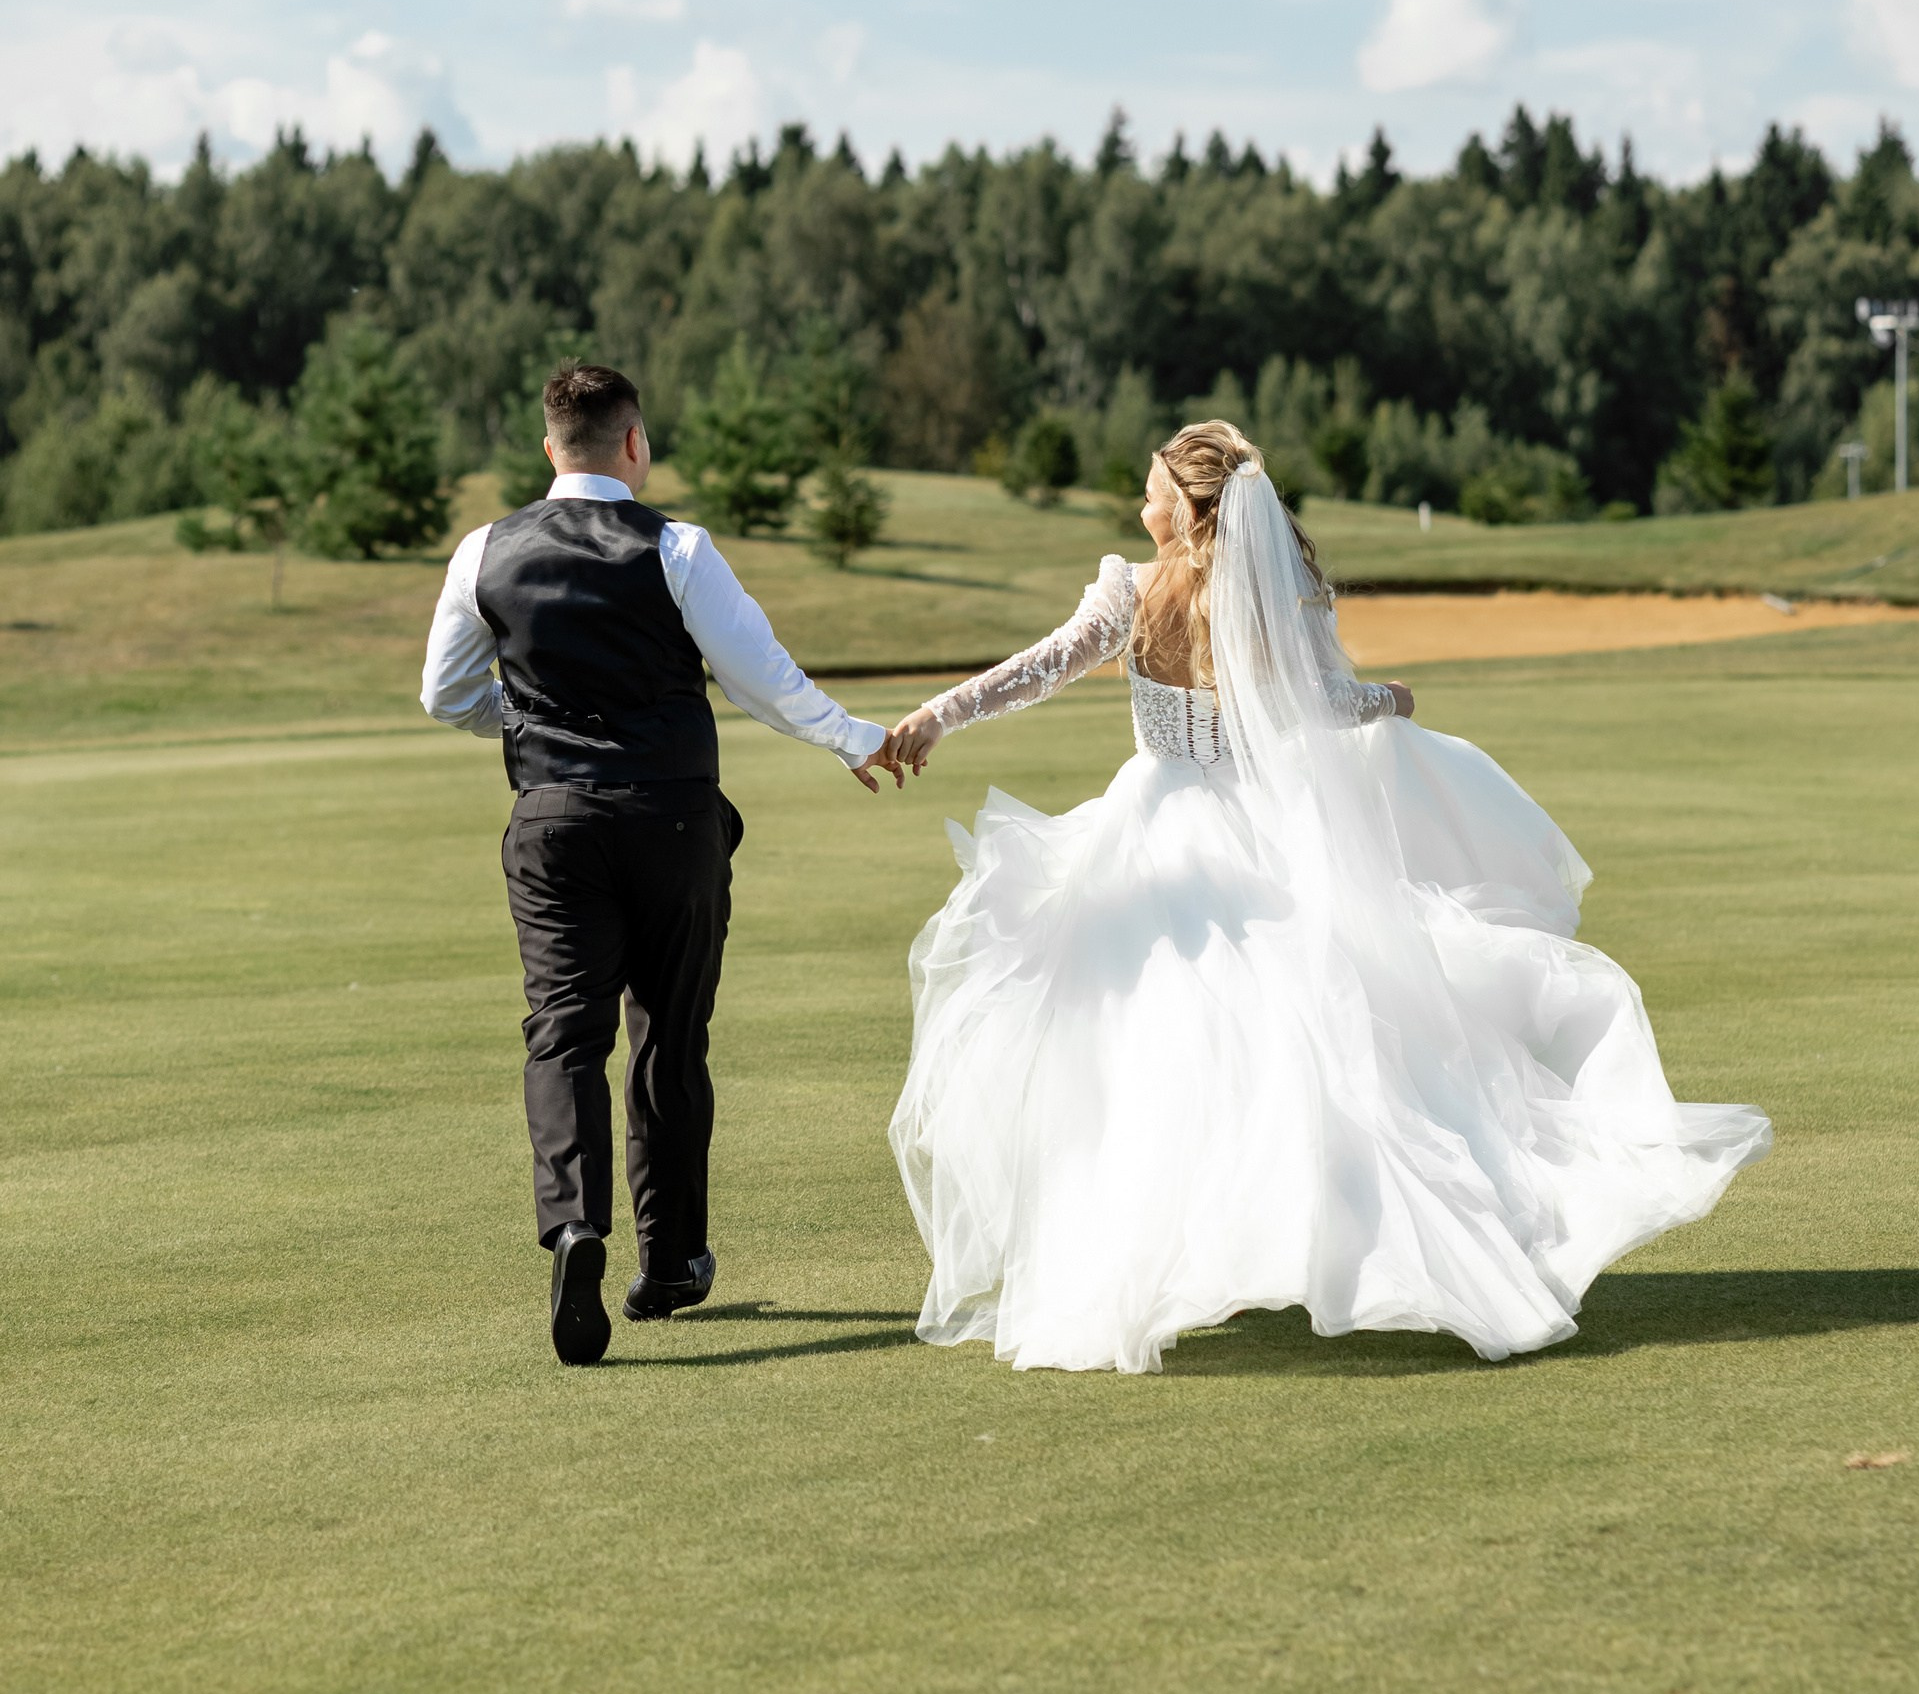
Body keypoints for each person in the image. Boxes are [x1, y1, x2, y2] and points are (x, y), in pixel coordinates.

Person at [882, 420, 1770, 1375]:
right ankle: (1280, 1247)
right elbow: (1322, 706)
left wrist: (937, 715)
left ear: (1185, 508)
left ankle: (1184, 1257)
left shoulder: (1130, 595)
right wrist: (1390, 698)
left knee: (1157, 1059)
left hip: (1152, 830)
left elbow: (1041, 668)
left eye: (1150, 490)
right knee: (1287, 1052)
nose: (1138, 504)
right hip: (1252, 838)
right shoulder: (1260, 603)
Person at [421, 362, 899, 1365]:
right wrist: (851, 736)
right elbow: (760, 676)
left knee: (563, 1033)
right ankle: (671, 1261)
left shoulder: (482, 552)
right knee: (667, 1041)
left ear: (550, 447)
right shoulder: (678, 547)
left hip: (550, 820)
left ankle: (574, 1225)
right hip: (674, 818)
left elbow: (446, 696)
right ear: (633, 443)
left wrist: (528, 721)